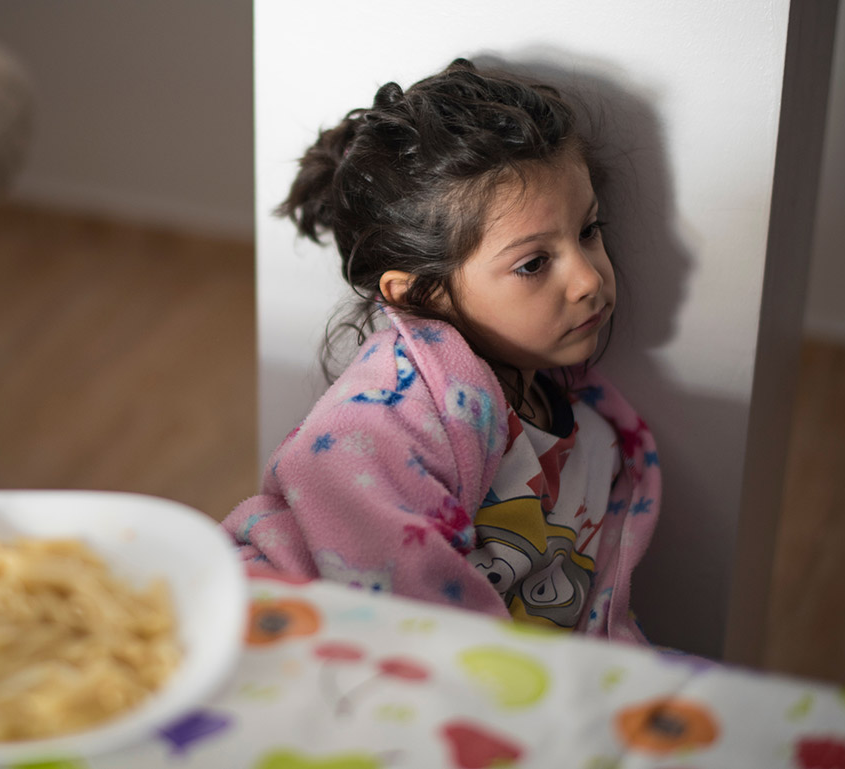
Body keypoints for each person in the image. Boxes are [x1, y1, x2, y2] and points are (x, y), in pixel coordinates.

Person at [223, 58, 660, 644]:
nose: (588, 279)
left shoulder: (581, 417)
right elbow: (413, 621)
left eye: (588, 231)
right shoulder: (387, 414)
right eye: (533, 264)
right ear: (421, 294)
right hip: (296, 637)